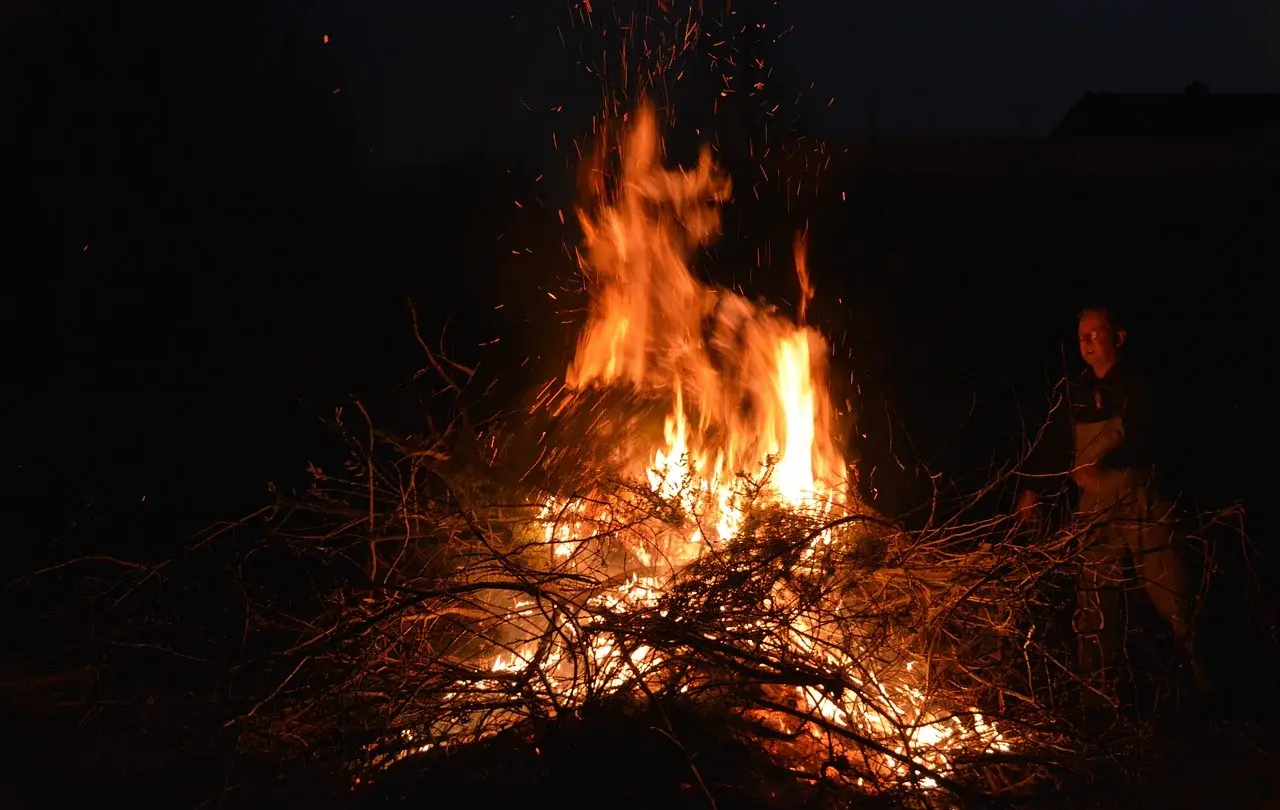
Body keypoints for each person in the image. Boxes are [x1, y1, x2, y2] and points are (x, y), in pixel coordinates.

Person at [1015, 304, 1209, 710]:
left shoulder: (1138, 385)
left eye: (1094, 334)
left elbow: (1148, 434)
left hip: (1142, 502)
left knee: (1174, 594)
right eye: (1081, 335)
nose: (1085, 342)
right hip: (1095, 512)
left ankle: (1205, 686)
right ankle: (1097, 701)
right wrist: (1031, 489)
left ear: (1118, 338)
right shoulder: (1076, 392)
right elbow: (1054, 443)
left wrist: (1108, 464)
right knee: (1094, 603)